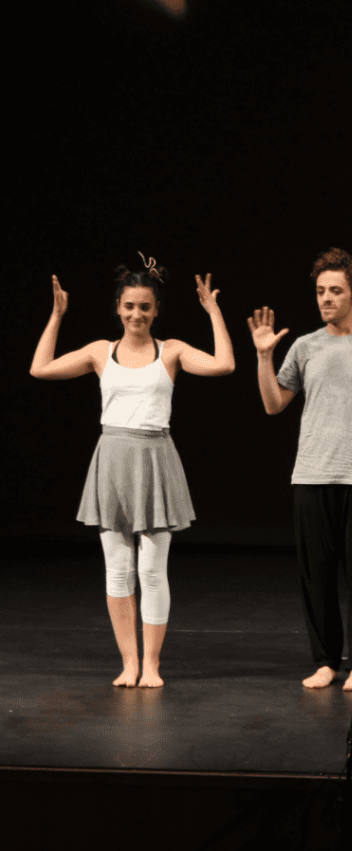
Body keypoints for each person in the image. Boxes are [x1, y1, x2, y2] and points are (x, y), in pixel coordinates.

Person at [29, 254, 235, 688]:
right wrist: (57, 315)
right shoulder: (100, 352)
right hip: (113, 459)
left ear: (156, 309)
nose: (137, 314)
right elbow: (40, 368)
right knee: (118, 569)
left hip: (155, 456)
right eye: (129, 306)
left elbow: (224, 365)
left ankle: (153, 664)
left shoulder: (172, 350)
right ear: (118, 308)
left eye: (145, 306)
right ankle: (129, 663)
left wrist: (213, 311)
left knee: (152, 570)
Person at [248, 247, 352, 691]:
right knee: (316, 576)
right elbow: (272, 403)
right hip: (311, 474)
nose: (326, 299)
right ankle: (325, 661)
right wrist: (263, 357)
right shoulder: (304, 345)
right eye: (321, 291)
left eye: (336, 291)